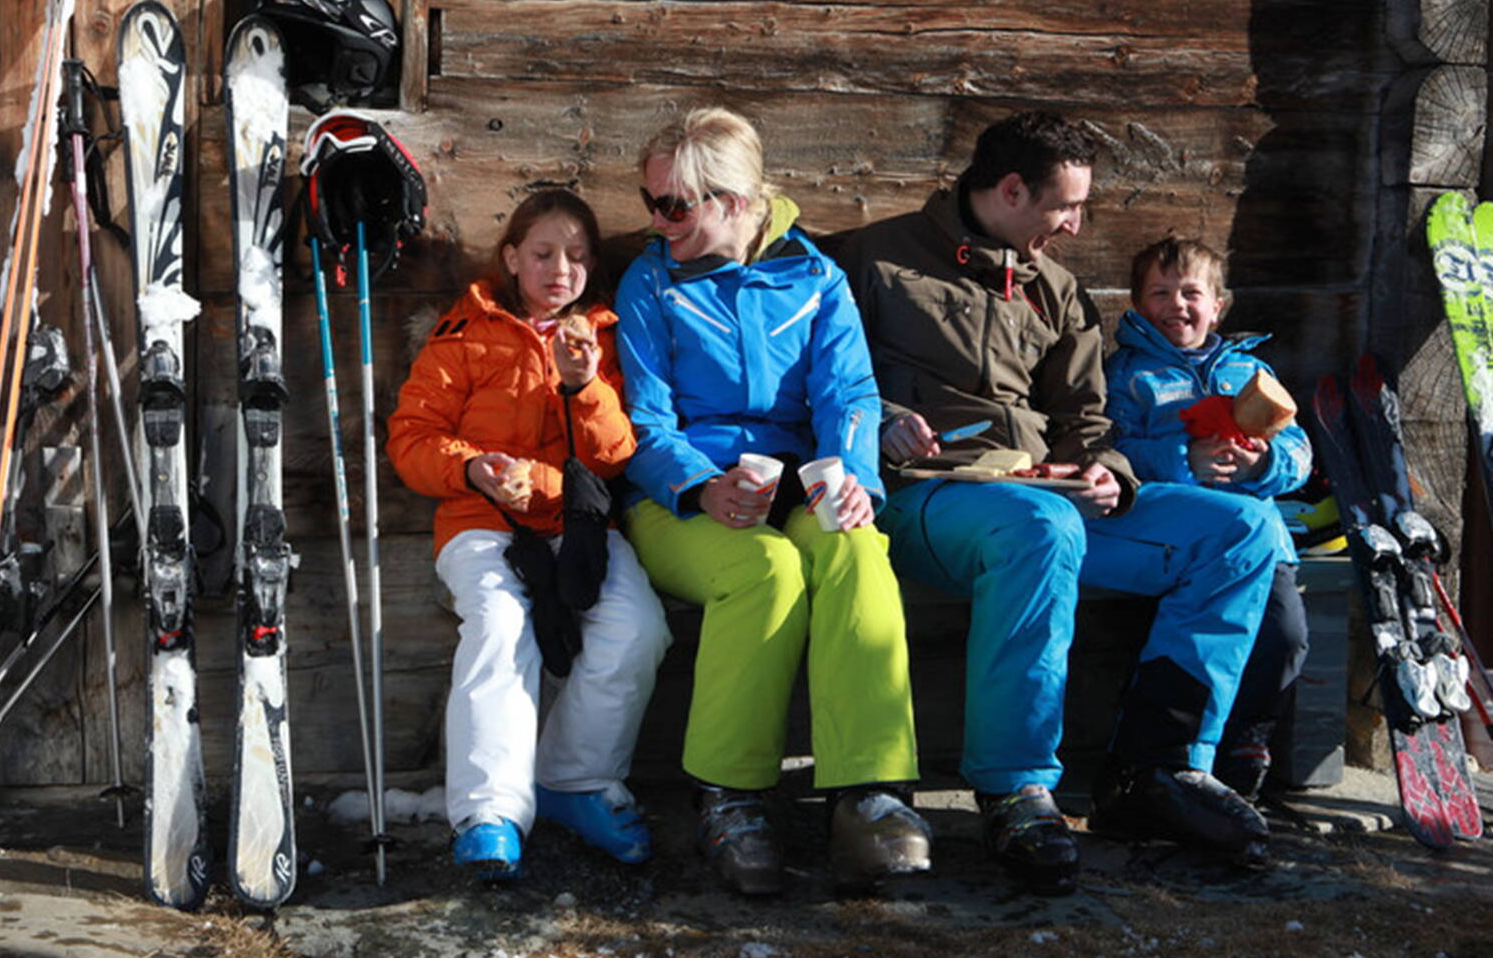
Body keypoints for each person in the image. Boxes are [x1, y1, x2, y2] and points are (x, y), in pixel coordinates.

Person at [836, 111, 1275, 895]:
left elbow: (1088, 418)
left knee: (1241, 529)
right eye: (1065, 207)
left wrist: (1107, 471)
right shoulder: (876, 261)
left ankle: (1160, 768)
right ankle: (1015, 786)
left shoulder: (1058, 291)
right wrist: (877, 425)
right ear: (1010, 190)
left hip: (1045, 498)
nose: (1074, 226)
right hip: (928, 501)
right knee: (1038, 530)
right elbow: (819, 380)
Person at [614, 106, 929, 895]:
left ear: (737, 203)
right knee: (767, 571)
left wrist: (855, 473)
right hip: (679, 501)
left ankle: (869, 794)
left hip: (793, 480)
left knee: (857, 550)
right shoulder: (652, 281)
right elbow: (642, 423)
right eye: (653, 202)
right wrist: (698, 484)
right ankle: (729, 797)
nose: (659, 221)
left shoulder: (814, 276)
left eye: (676, 205)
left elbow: (849, 391)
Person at [387, 188, 671, 880]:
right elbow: (412, 439)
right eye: (543, 253)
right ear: (512, 258)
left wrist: (585, 389)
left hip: (577, 527)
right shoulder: (463, 333)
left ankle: (573, 781)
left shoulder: (603, 338)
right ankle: (489, 813)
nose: (560, 269)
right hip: (482, 523)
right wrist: (476, 470)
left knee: (637, 626)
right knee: (498, 623)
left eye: (576, 256)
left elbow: (613, 457)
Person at [1104, 236, 1312, 799]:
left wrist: (1262, 463)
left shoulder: (1249, 372)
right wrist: (1181, 459)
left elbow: (1298, 453)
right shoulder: (1128, 375)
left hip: (1264, 537)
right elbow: (1116, 449)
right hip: (1176, 535)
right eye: (1160, 293)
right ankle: (1171, 752)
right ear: (1136, 304)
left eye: (1191, 292)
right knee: (1174, 628)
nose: (1177, 305)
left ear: (1217, 304)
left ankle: (1249, 738)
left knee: (1284, 634)